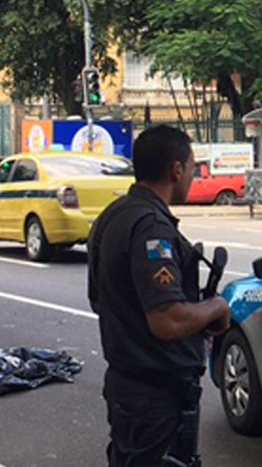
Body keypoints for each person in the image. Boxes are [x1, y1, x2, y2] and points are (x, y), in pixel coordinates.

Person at [88, 125, 231, 467]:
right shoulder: (151, 227)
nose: (193, 176)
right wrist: (215, 307)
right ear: (176, 169)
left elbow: (99, 299)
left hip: (128, 387)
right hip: (155, 395)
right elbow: (167, 320)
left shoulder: (113, 216)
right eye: (193, 168)